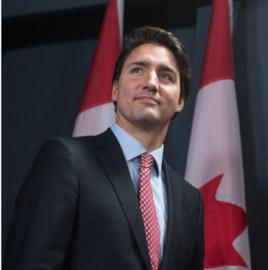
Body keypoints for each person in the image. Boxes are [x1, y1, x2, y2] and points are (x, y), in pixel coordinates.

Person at [5, 26, 204, 270]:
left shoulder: (190, 200)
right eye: (137, 70)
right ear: (115, 90)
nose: (151, 83)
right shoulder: (66, 160)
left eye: (166, 76)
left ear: (180, 101)